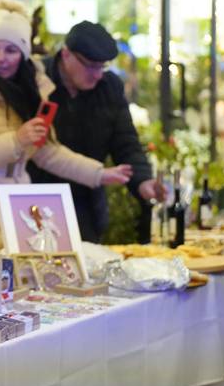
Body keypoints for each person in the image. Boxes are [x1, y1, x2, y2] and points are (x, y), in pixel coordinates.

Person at [0, 0, 132, 249]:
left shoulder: (30, 92)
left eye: (10, 50)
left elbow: (47, 151)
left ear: (23, 54)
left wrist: (98, 173)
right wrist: (17, 140)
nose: (1, 58)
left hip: (14, 211)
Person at [27, 21, 164, 243]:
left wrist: (142, 181)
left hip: (88, 206)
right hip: (39, 203)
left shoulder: (109, 87)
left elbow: (126, 141)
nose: (97, 74)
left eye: (103, 66)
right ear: (66, 54)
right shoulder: (37, 82)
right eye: (91, 65)